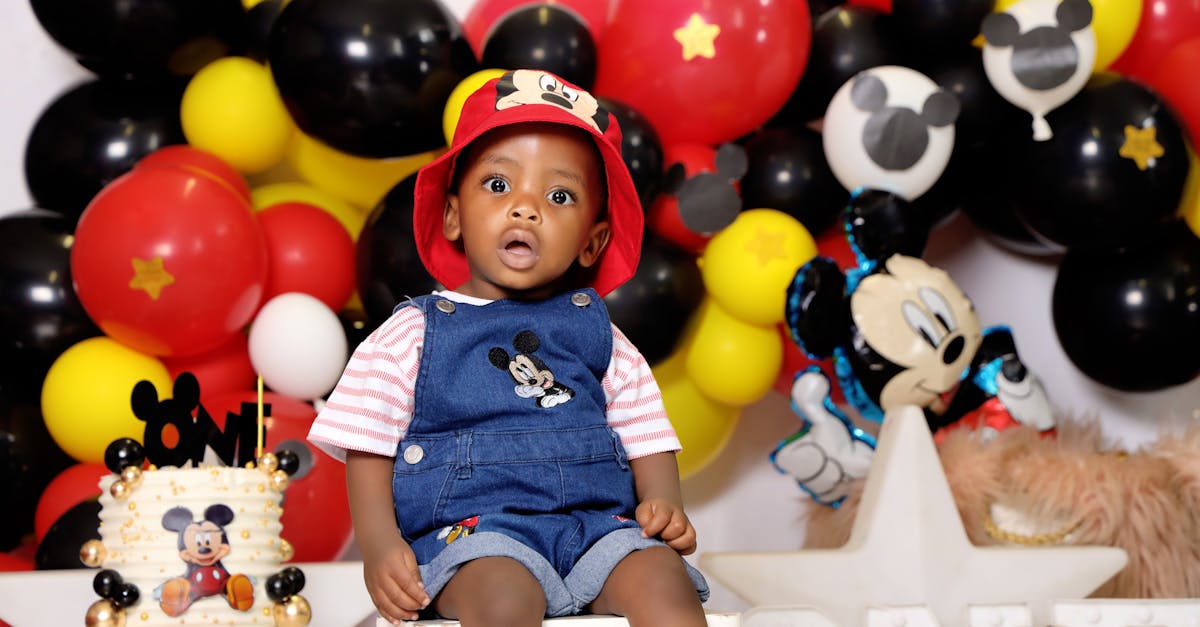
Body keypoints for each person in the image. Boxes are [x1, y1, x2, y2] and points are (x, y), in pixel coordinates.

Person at [308, 69, 709, 626]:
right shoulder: (413, 335)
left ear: (592, 241)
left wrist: (664, 502)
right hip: (475, 538)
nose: (526, 208)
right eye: (499, 185)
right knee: (503, 595)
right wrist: (380, 545)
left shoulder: (599, 335)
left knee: (664, 578)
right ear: (453, 215)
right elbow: (366, 444)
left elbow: (645, 430)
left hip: (595, 530)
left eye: (559, 195)